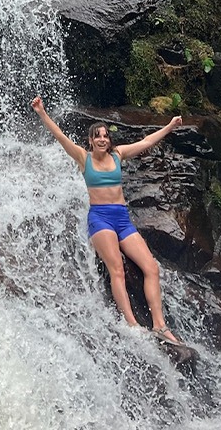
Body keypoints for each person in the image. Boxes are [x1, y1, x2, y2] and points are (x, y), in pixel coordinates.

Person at [31, 96, 185, 344]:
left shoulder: (118, 155)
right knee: (117, 270)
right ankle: (132, 324)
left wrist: (169, 126)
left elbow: (146, 142)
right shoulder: (84, 158)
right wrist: (42, 113)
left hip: (122, 218)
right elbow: (60, 137)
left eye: (105, 135)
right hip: (100, 219)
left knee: (151, 268)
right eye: (97, 136)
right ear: (91, 141)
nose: (103, 139)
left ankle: (159, 325)